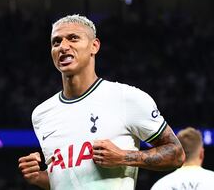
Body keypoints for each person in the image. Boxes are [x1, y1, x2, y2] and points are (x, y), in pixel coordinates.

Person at [17, 14, 185, 190]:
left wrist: (123, 157)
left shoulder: (126, 98)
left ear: (94, 46)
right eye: (56, 42)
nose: (63, 47)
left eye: (73, 38)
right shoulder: (41, 114)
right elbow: (66, 182)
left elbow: (176, 153)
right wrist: (39, 176)